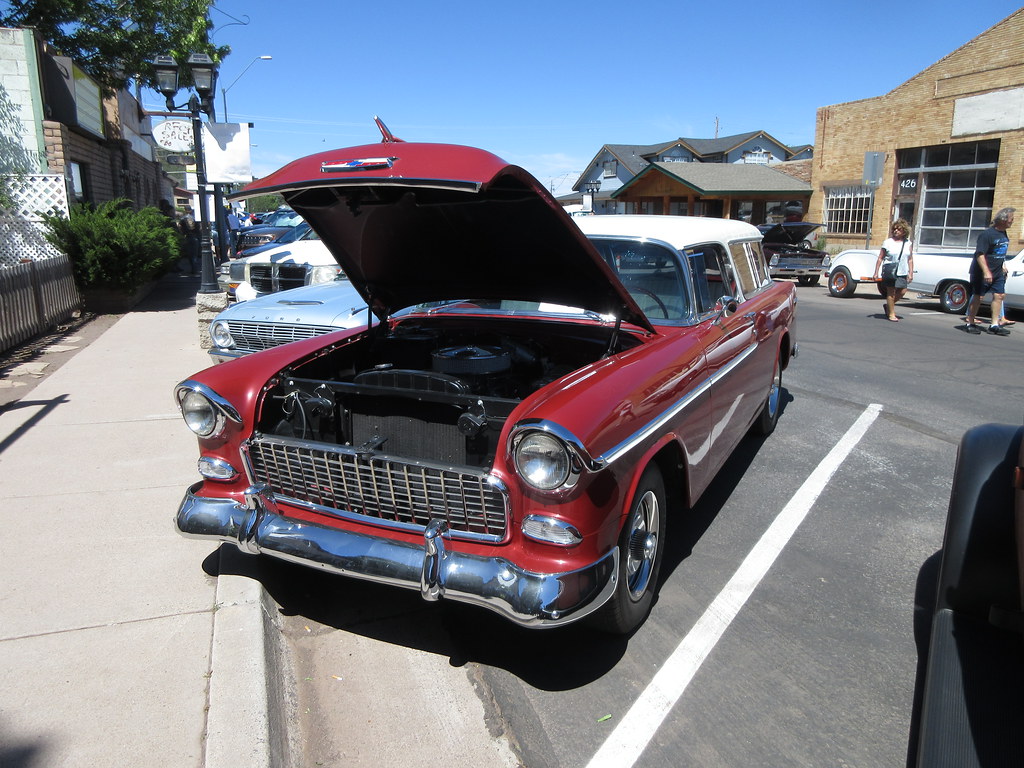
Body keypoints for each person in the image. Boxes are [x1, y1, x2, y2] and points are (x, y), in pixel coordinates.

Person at [965, 207, 1016, 336]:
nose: (1012, 221)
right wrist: (986, 271)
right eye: (1011, 219)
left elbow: (999, 251)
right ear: (1003, 220)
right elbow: (980, 254)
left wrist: (1003, 264)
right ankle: (970, 322)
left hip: (998, 272)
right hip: (982, 272)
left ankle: (994, 325)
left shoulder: (1003, 233)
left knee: (999, 296)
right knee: (978, 296)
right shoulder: (987, 235)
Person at [872, 219, 914, 322]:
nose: (896, 231)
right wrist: (876, 272)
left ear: (904, 231)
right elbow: (880, 257)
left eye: (899, 229)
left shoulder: (908, 243)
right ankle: (891, 313)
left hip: (902, 271)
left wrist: (911, 272)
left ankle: (888, 306)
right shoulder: (888, 242)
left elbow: (910, 259)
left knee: (903, 290)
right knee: (891, 293)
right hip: (890, 271)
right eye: (894, 229)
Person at [179, 206, 201, 277]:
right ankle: (195, 269)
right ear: (191, 210)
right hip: (195, 237)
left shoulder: (182, 219)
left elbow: (180, 227)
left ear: (185, 210)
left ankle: (192, 268)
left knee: (189, 254)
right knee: (195, 254)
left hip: (187, 237)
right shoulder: (195, 218)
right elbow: (199, 228)